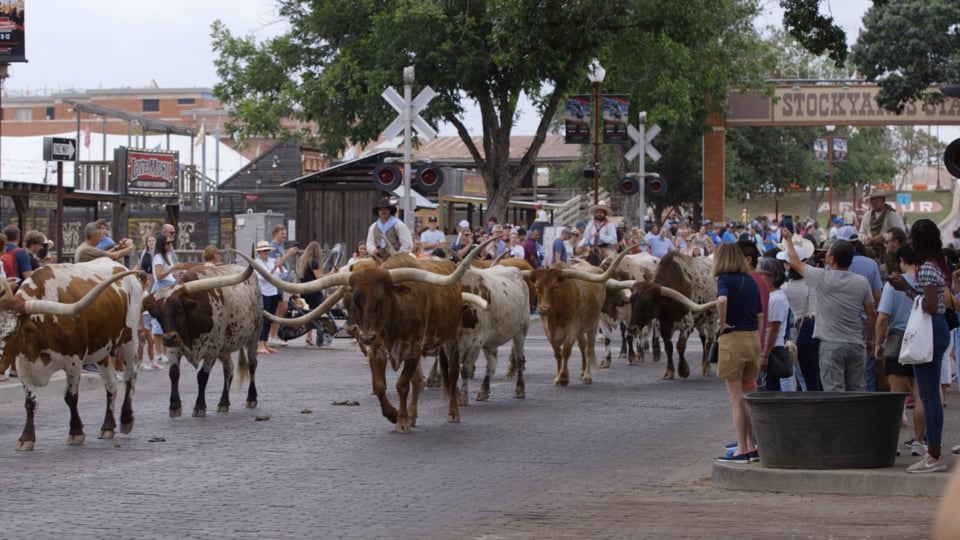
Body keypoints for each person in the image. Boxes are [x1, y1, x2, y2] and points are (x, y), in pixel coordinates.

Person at [888, 219, 950, 474]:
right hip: (939, 328)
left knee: (928, 395)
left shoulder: (925, 267)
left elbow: (930, 305)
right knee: (930, 394)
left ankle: (933, 454)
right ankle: (932, 451)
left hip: (931, 328)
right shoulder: (938, 263)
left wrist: (906, 289)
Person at [781, 229, 876, 393]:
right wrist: (868, 339)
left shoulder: (822, 278)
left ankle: (837, 419)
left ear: (831, 258)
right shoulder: (862, 282)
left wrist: (788, 240)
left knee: (834, 391)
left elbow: (795, 262)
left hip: (831, 344)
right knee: (857, 391)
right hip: (855, 343)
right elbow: (871, 313)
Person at [712, 242, 763, 464]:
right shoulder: (751, 280)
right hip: (753, 339)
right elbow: (760, 315)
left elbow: (722, 299)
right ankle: (752, 445)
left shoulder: (724, 280)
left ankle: (742, 449)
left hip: (734, 339)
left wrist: (721, 322)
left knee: (736, 399)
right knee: (749, 394)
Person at [875, 244, 926, 457]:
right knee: (920, 393)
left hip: (896, 336)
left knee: (896, 395)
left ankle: (893, 443)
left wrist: (879, 342)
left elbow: (883, 317)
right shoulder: (926, 283)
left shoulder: (893, 284)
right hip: (921, 337)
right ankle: (919, 441)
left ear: (903, 261)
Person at [777, 246, 822, 391]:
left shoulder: (786, 288)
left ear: (790, 265)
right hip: (822, 326)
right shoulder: (816, 281)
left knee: (809, 375)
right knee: (820, 372)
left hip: (804, 329)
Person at [758, 257, 792, 392]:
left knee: (770, 387)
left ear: (770, 275)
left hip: (771, 348)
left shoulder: (776, 299)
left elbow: (774, 329)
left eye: (762, 274)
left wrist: (765, 355)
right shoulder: (771, 296)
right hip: (767, 347)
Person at [152, 232, 186, 365]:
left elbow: (167, 273)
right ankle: (159, 353)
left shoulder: (167, 256)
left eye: (171, 242)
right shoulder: (158, 257)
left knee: (169, 319)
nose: (170, 245)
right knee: (159, 320)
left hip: (169, 285)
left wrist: (177, 272)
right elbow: (159, 275)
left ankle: (166, 351)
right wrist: (173, 268)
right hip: (161, 288)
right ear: (162, 244)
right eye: (168, 243)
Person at [253, 241, 284, 354]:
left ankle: (265, 343)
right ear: (259, 252)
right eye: (264, 251)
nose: (267, 252)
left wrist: (279, 267)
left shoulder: (272, 261)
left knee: (270, 319)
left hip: (274, 292)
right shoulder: (257, 263)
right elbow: (262, 277)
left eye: (268, 250)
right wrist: (274, 268)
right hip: (263, 293)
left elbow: (283, 274)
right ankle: (260, 344)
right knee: (263, 319)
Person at [296, 241, 327, 346]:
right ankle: (312, 335)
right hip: (314, 291)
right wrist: (331, 274)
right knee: (315, 314)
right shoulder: (313, 262)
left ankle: (308, 337)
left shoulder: (302, 261)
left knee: (308, 313)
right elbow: (319, 277)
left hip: (304, 291)